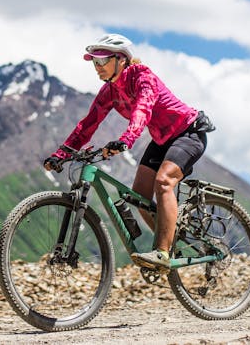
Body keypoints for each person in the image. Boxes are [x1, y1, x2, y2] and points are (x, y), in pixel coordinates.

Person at [43, 33, 215, 271]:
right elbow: (87, 125)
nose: (97, 67)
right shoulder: (110, 91)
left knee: (164, 182)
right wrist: (61, 154)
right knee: (139, 194)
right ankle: (170, 240)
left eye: (103, 61)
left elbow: (142, 111)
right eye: (94, 62)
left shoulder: (144, 78)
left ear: (121, 59)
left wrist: (126, 140)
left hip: (188, 133)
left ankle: (163, 253)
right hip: (162, 139)